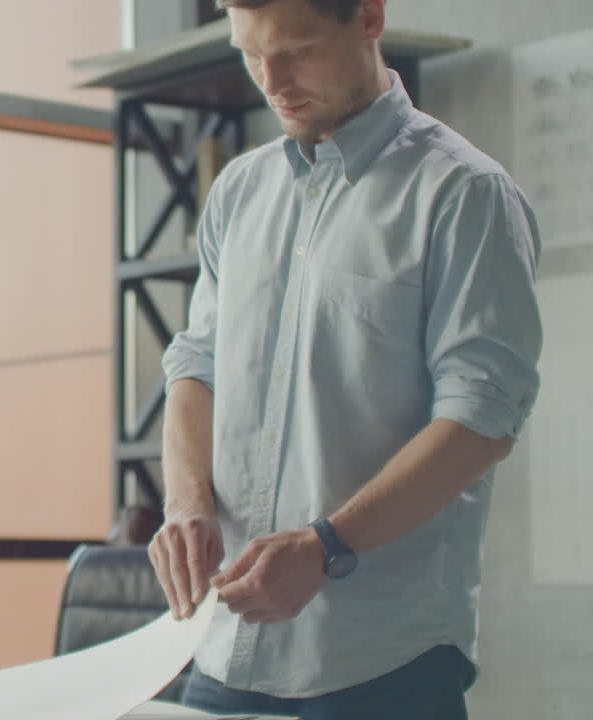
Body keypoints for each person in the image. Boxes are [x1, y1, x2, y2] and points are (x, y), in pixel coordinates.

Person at [148, 0, 543, 718]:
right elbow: (195, 365)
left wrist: (328, 545)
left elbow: (482, 419)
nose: (272, 80)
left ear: (367, 17)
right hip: (224, 650)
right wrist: (186, 502)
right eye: (250, 55)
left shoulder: (463, 193)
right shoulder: (239, 192)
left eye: (295, 50)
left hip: (382, 662)